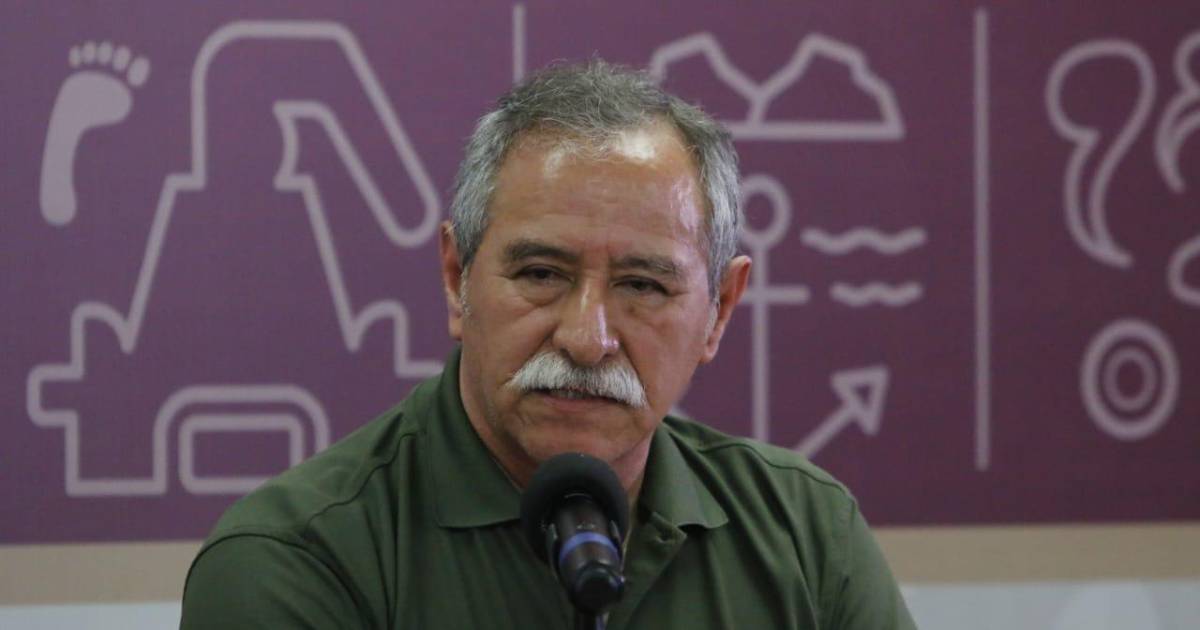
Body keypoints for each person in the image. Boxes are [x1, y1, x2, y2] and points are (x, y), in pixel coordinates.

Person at [180, 60, 915, 629]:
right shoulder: (298, 561)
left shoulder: (806, 534)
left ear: (719, 310)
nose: (587, 340)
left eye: (643, 286)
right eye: (541, 274)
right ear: (457, 279)